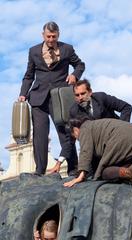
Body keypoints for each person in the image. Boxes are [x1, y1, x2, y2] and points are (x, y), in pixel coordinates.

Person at [18, 21, 85, 175]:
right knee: (39, 135)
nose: (51, 40)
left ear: (58, 35)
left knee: (66, 133)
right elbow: (29, 76)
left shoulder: (67, 49)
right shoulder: (33, 51)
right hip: (38, 98)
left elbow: (80, 64)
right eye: (48, 36)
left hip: (60, 98)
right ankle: (39, 170)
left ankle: (73, 168)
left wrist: (75, 75)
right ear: (43, 35)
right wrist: (23, 93)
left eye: (54, 37)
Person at [64, 118, 132, 192]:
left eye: (75, 137)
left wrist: (80, 176)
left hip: (123, 138)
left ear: (75, 129)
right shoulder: (98, 125)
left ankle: (129, 172)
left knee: (104, 172)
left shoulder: (85, 128)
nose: (77, 139)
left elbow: (85, 152)